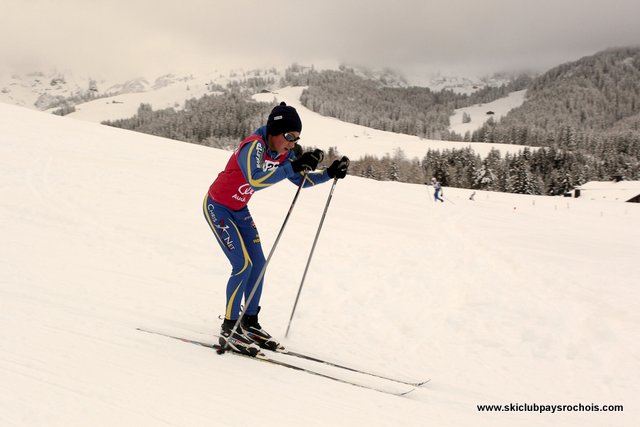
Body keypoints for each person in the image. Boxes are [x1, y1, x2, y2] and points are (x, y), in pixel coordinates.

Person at [203, 102, 349, 356]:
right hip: (218, 207)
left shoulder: (282, 153)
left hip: (239, 209)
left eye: (296, 139)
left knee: (258, 265)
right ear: (274, 130)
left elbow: (300, 182)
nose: (292, 143)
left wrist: (328, 173)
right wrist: (293, 165)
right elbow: (255, 179)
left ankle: (249, 321)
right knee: (243, 265)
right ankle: (229, 326)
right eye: (289, 136)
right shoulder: (253, 146)